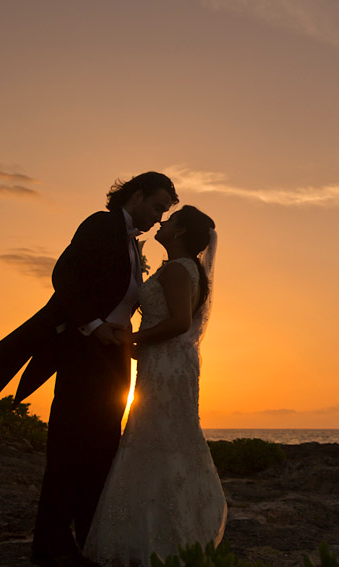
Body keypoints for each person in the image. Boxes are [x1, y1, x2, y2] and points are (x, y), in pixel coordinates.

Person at [0, 172, 178, 567]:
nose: (159, 217)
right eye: (157, 206)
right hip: (83, 348)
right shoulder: (101, 223)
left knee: (102, 447)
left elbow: (116, 296)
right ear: (136, 195)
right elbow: (65, 277)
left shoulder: (133, 242)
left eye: (165, 212)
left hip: (110, 353)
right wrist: (94, 326)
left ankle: (89, 537)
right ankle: (50, 546)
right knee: (68, 446)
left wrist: (120, 332)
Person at [83, 206, 227, 567]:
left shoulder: (179, 270)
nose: (162, 223)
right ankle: (159, 530)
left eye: (169, 219)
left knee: (161, 437)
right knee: (160, 435)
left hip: (168, 365)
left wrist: (135, 341)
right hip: (165, 362)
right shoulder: (180, 268)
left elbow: (179, 322)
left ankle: (165, 535)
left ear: (179, 232)